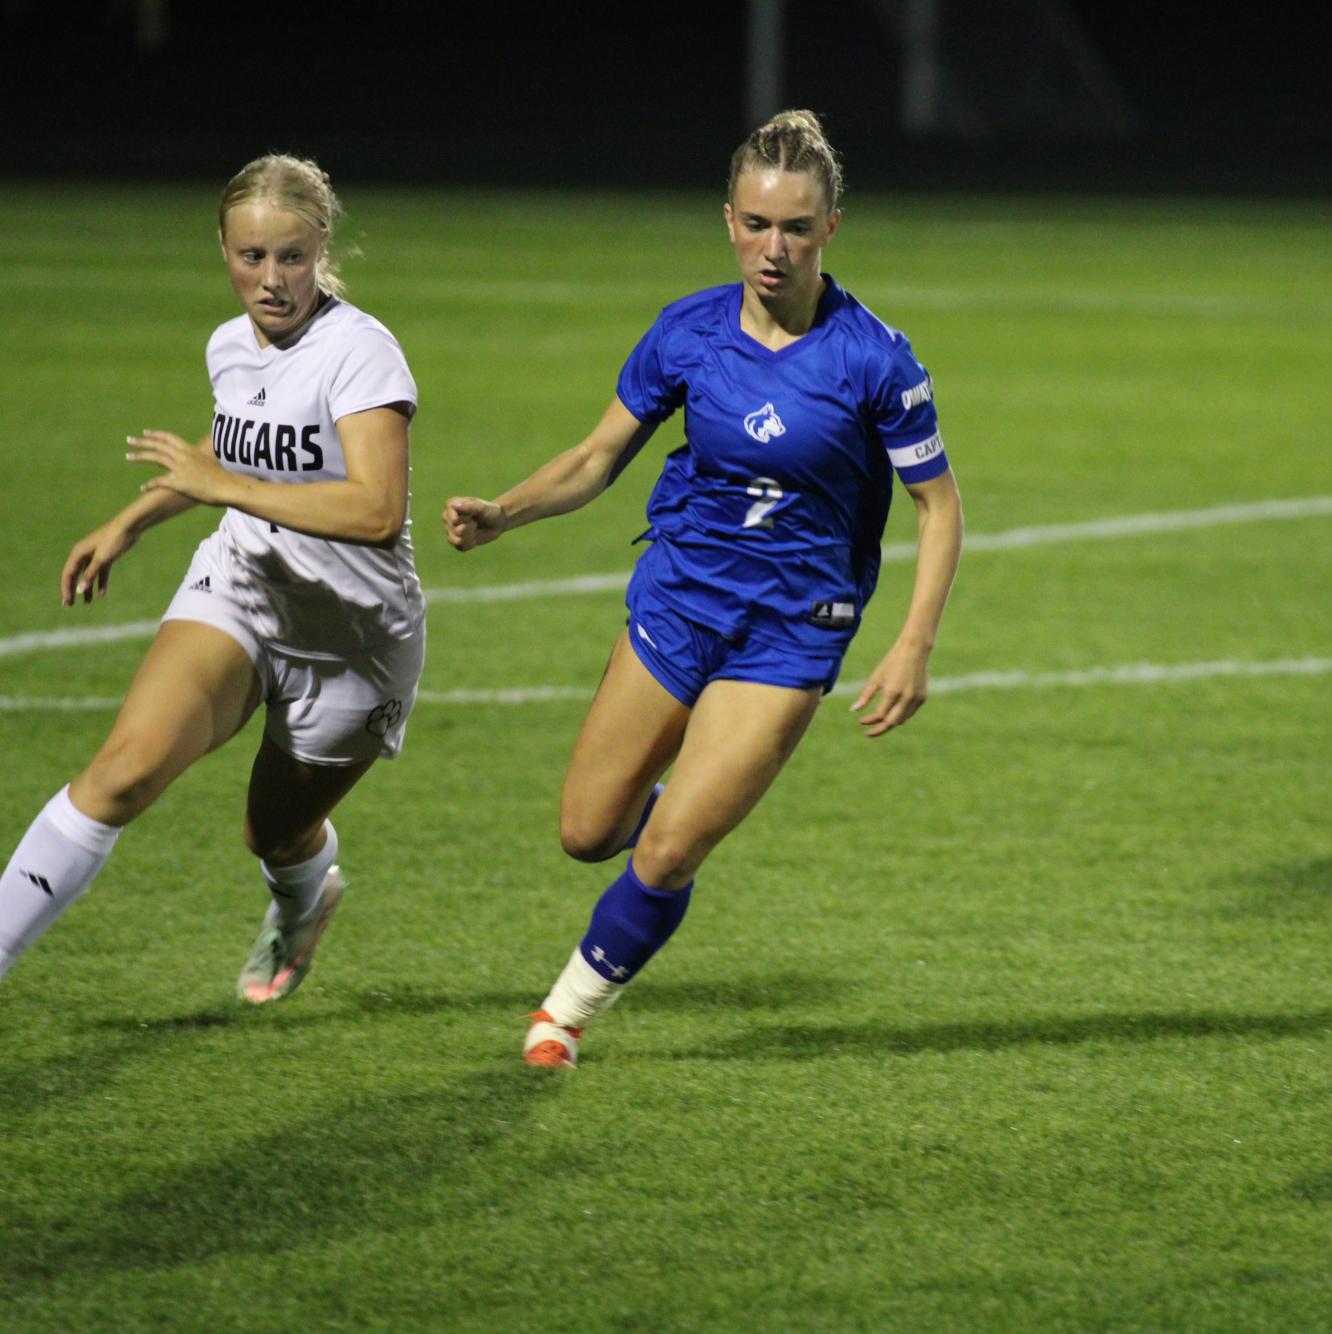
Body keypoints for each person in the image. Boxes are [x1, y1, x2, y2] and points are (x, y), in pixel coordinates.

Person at [442, 110, 963, 1068]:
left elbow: (938, 507)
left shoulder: (875, 359)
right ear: (729, 221)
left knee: (670, 850)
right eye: (757, 225)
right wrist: (505, 512)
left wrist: (913, 642)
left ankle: (560, 1015)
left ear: (830, 229)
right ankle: (676, 819)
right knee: (585, 831)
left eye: (796, 228)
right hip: (679, 602)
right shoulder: (686, 332)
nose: (775, 249)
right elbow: (598, 456)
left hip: (792, 631)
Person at [0, 154, 424, 995]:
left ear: (322, 247)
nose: (270, 281)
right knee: (120, 773)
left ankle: (304, 900)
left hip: (351, 638)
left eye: (291, 257)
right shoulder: (229, 345)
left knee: (274, 834)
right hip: (242, 588)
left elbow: (375, 511)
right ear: (224, 250)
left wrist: (223, 485)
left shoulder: (360, 354)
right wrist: (131, 520)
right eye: (250, 257)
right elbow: (229, 449)